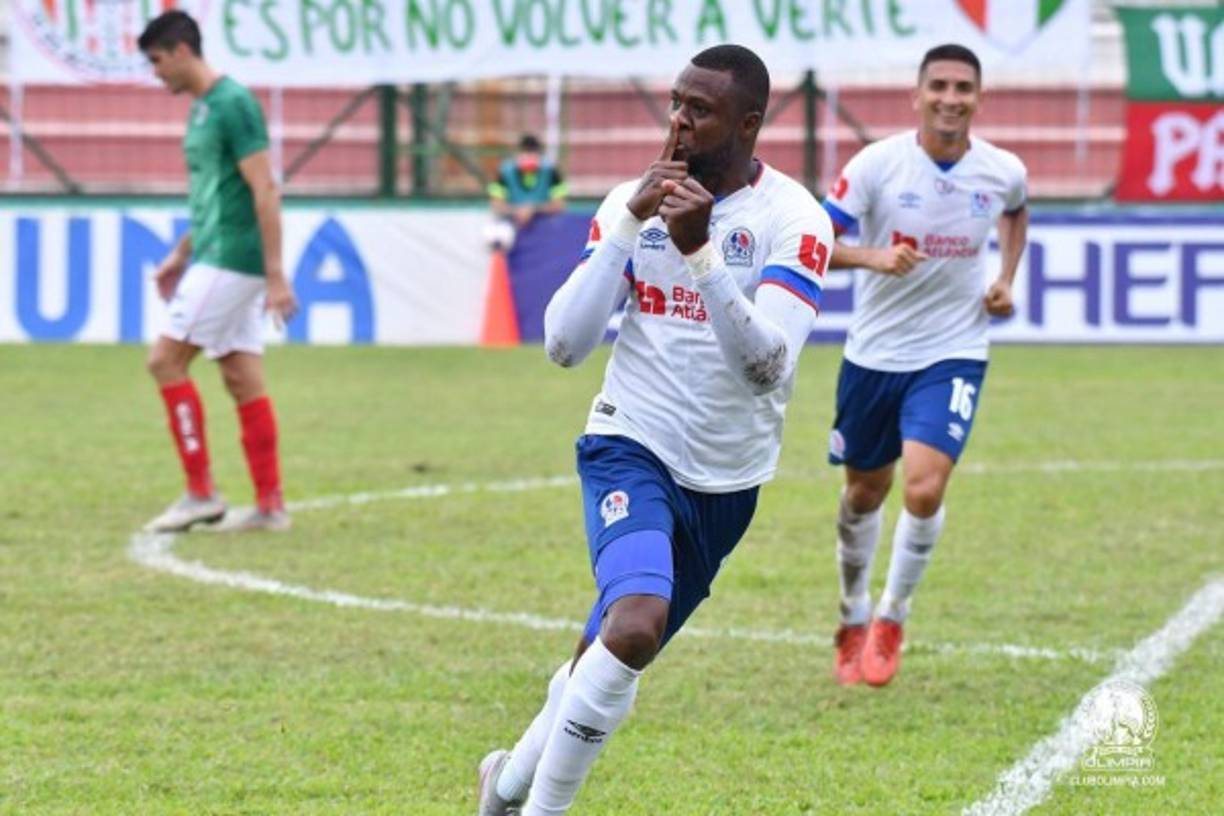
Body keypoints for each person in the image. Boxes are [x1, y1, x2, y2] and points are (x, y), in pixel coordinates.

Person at [477, 45, 833, 815]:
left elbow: (767, 367)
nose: (677, 120)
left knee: (601, 655)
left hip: (727, 481)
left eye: (697, 109)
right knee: (636, 625)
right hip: (628, 443)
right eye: (674, 102)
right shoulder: (627, 205)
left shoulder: (795, 220)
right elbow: (565, 347)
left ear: (747, 124)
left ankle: (503, 785)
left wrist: (700, 253)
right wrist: (628, 225)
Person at [821, 43, 1028, 687]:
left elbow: (1017, 213)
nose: (950, 98)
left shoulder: (1002, 170)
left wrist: (1005, 278)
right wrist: (874, 257)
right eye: (937, 85)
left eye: (963, 87)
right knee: (863, 493)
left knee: (924, 486)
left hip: (955, 350)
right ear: (916, 95)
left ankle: (892, 616)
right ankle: (852, 612)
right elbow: (819, 242)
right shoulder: (877, 166)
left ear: (979, 98)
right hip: (875, 355)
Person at [138, 10, 298, 533]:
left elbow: (264, 190)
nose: (155, 72)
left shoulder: (233, 105)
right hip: (212, 251)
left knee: (165, 360)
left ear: (183, 50)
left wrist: (276, 275)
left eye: (158, 61)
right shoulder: (204, 109)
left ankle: (200, 492)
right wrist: (181, 253)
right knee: (239, 374)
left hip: (234, 258)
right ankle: (271, 505)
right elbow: (213, 195)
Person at [484, 134, 568, 251]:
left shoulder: (551, 171)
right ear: (517, 154)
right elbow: (496, 206)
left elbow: (559, 206)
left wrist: (532, 209)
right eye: (525, 152)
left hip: (544, 226)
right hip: (512, 227)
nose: (528, 157)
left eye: (532, 153)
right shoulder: (504, 171)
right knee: (496, 234)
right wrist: (518, 211)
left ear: (539, 155)